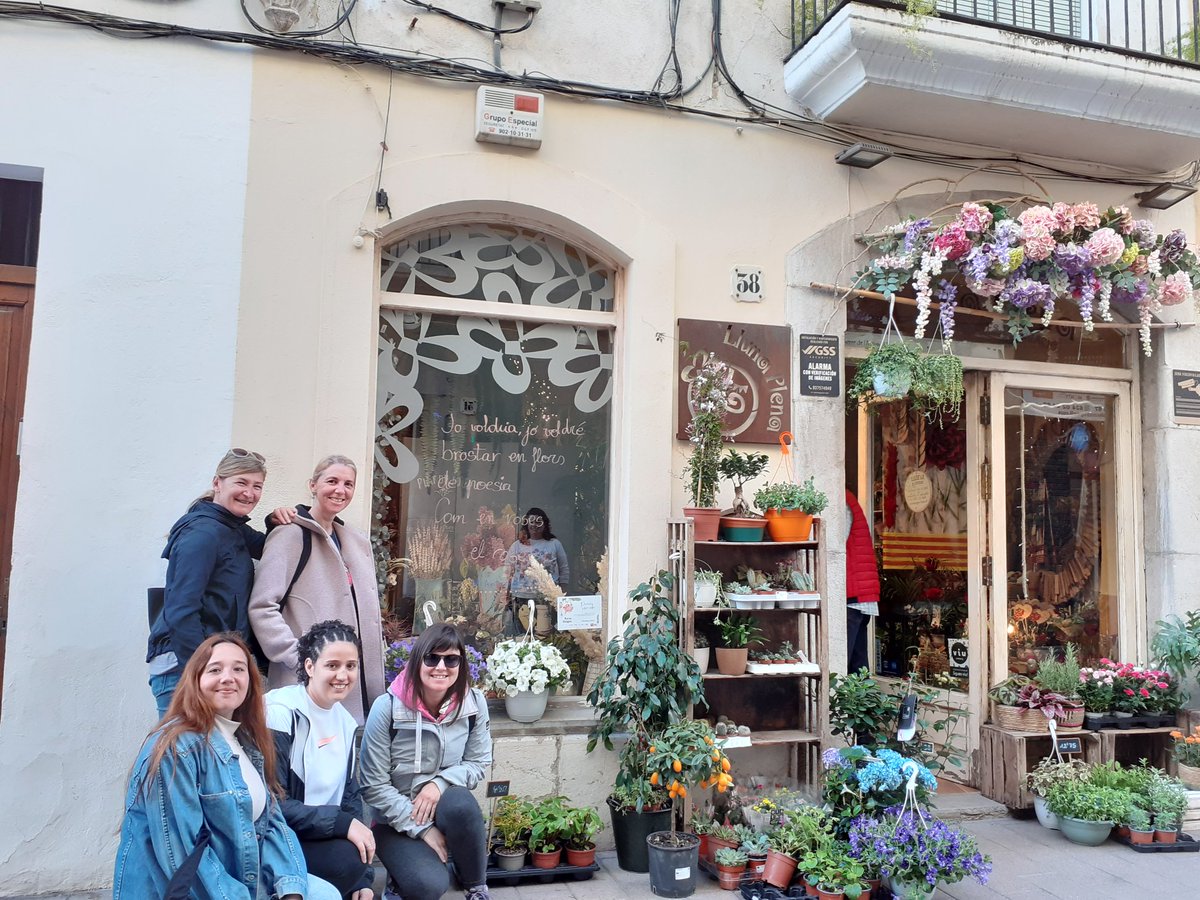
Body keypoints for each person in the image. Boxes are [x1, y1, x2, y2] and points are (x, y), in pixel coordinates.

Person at [114, 633, 341, 900]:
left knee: (324, 894)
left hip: (240, 876)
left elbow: (271, 825)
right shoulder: (176, 749)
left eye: (238, 669)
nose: (228, 677)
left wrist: (290, 889)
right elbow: (182, 855)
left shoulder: (246, 741)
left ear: (250, 681)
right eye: (215, 669)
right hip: (195, 890)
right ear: (195, 680)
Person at [147, 448, 295, 717]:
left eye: (257, 486)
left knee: (212, 755)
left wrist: (275, 522)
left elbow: (269, 550)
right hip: (186, 665)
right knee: (182, 754)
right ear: (217, 483)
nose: (249, 493)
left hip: (209, 664)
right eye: (241, 482)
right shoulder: (203, 533)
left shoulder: (231, 527)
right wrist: (204, 670)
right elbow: (181, 610)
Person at [359, 623, 493, 900]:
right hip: (394, 820)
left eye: (451, 659)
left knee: (461, 805)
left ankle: (476, 887)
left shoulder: (473, 704)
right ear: (417, 661)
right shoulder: (387, 708)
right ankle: (400, 877)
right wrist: (423, 830)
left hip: (445, 810)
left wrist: (439, 784)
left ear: (461, 664)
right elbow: (373, 785)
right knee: (428, 886)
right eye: (432, 658)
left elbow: (479, 762)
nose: (441, 667)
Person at [250, 455, 385, 723]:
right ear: (312, 485)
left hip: (357, 685)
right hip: (307, 685)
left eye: (348, 484)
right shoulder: (289, 534)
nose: (340, 490)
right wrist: (299, 657)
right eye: (332, 481)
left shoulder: (356, 541)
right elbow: (262, 606)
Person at [267, 621, 376, 900]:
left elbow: (350, 797)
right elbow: (272, 805)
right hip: (278, 838)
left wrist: (363, 880)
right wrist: (341, 823)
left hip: (320, 833)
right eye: (333, 665)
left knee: (358, 858)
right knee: (346, 860)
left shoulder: (345, 722)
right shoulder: (281, 713)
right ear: (309, 666)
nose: (343, 675)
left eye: (351, 666)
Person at [502, 507, 569, 635]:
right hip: (521, 598)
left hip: (547, 599)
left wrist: (562, 596)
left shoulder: (554, 544)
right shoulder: (517, 545)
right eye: (531, 521)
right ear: (526, 523)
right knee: (524, 635)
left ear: (545, 524)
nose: (535, 526)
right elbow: (507, 571)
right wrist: (506, 596)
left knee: (545, 634)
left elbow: (564, 570)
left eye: (539, 522)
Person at [845, 488, 881, 673]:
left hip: (852, 595)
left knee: (845, 665)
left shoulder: (840, 500)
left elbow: (835, 543)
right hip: (860, 594)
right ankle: (863, 702)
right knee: (858, 668)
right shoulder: (848, 499)